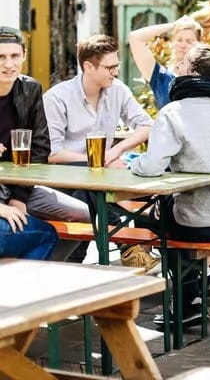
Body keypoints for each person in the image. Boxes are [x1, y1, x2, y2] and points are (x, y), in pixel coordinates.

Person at [129, 46, 210, 327]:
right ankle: (193, 295)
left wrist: (132, 164)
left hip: (205, 221)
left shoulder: (174, 111)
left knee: (153, 220)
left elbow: (151, 167)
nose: (177, 65)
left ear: (193, 73)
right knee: (173, 213)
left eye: (183, 62)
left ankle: (189, 295)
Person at [43, 34, 156, 269]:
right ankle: (128, 247)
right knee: (89, 187)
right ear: (88, 66)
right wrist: (98, 162)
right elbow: (53, 155)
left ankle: (74, 264)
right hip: (62, 178)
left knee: (89, 193)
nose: (115, 72)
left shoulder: (118, 90)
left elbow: (146, 125)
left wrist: (117, 150)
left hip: (96, 180)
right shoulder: (57, 97)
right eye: (110, 67)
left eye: (116, 66)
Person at [0, 26, 89, 228]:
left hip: (19, 185)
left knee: (82, 214)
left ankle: (48, 260)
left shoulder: (30, 89)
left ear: (24, 55)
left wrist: (20, 197)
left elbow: (40, 149)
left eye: (14, 55)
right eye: (1, 57)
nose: (8, 64)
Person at [128, 0, 210, 110]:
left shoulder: (208, 73)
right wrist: (173, 25)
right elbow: (135, 37)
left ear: (199, 43)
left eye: (189, 41)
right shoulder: (161, 77)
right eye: (179, 39)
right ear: (172, 42)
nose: (183, 45)